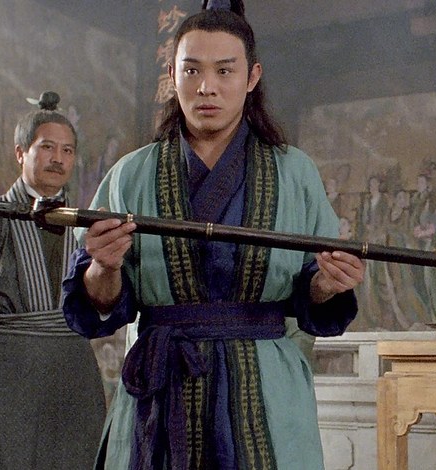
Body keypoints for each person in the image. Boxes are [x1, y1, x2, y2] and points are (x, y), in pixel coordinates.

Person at [61, 3, 365, 469]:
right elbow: (99, 306)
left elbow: (314, 294)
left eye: (225, 70)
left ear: (252, 76)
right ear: (172, 75)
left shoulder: (293, 172)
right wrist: (103, 265)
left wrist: (327, 283)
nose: (207, 87)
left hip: (265, 393)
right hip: (161, 387)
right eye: (192, 70)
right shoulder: (130, 175)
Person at [0, 91, 106, 469]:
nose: (58, 158)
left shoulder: (87, 226)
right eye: (47, 147)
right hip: (0, 377)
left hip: (71, 377)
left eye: (67, 150)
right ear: (20, 153)